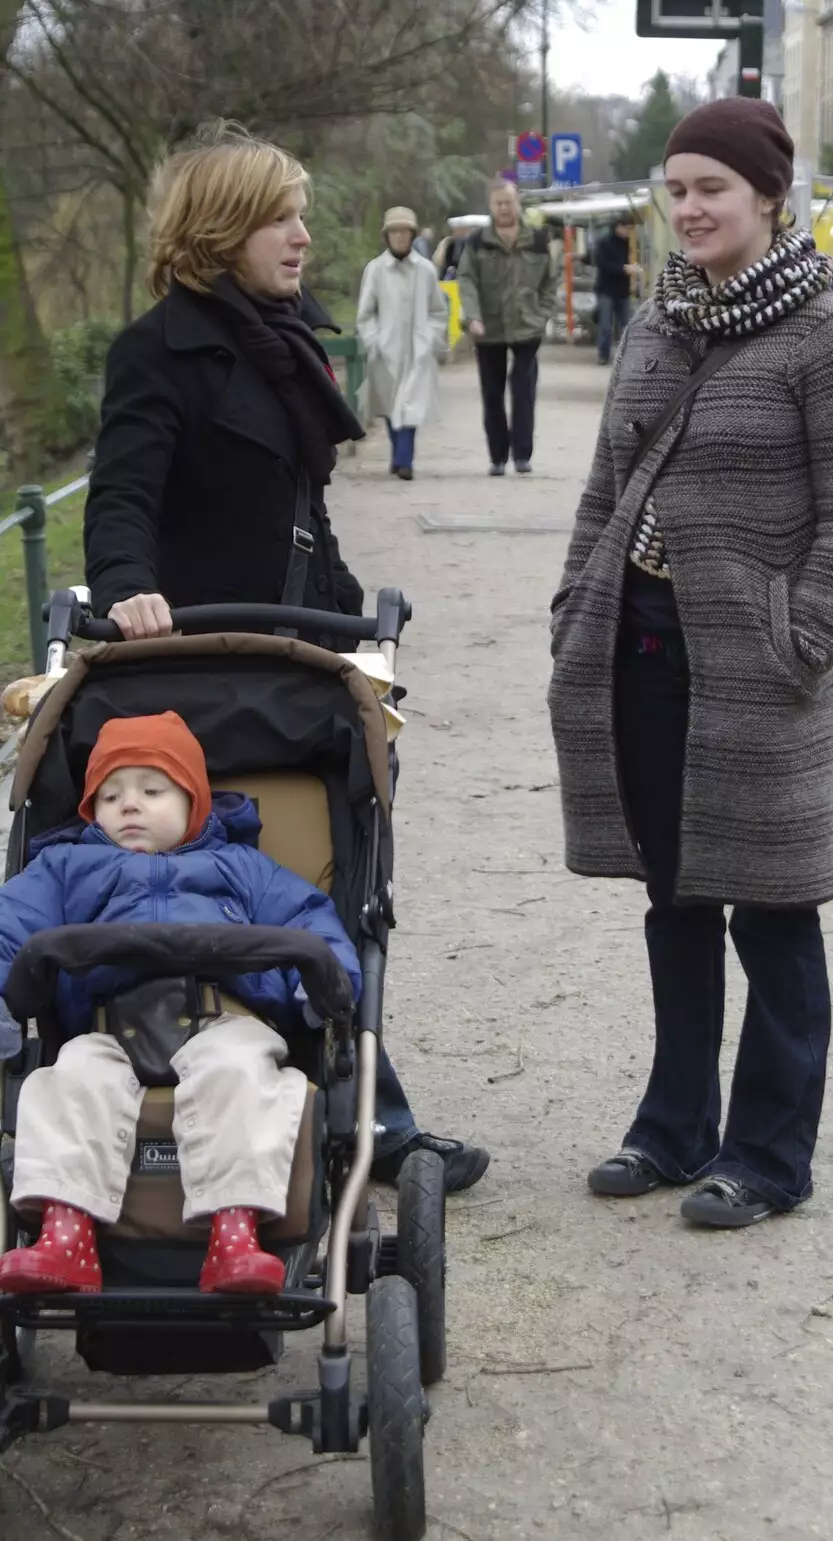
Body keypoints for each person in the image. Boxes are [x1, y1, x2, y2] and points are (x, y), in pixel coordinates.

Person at [80, 124, 489, 1194]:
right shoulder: (159, 352)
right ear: (221, 232)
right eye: (280, 217)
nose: (303, 236)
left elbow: (302, 516)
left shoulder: (281, 343)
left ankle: (359, 1118)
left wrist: (360, 629)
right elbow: (122, 492)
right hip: (196, 672)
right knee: (241, 896)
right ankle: (351, 1121)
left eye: (300, 214)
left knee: (321, 887)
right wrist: (127, 587)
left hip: (294, 665)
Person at [548, 99, 833, 1230]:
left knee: (774, 910)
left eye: (712, 190)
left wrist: (802, 637)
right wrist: (572, 600)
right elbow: (604, 484)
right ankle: (673, 1126)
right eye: (676, 188)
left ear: (768, 199)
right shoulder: (656, 323)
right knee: (674, 897)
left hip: (760, 669)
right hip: (638, 646)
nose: (688, 209)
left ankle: (768, 1156)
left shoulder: (825, 335)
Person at [0, 713, 362, 1297]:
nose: (129, 806)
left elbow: (309, 922)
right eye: (110, 796)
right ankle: (64, 1236)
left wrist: (322, 986)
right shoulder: (65, 868)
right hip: (109, 1027)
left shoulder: (242, 868)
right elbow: (7, 929)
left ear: (194, 800)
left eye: (151, 790)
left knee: (240, 1076)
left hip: (224, 1018)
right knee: (68, 1080)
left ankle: (236, 1230)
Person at [457, 180, 559, 477]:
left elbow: (551, 283)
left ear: (518, 203)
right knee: (492, 393)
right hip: (488, 328)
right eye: (498, 203)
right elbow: (466, 280)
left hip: (528, 327)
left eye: (508, 202)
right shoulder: (477, 242)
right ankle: (498, 456)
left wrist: (541, 316)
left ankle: (523, 455)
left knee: (523, 390)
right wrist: (473, 316)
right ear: (491, 206)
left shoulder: (538, 240)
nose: (504, 208)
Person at [356, 206, 449, 482]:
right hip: (386, 350)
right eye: (394, 232)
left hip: (417, 351)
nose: (399, 237)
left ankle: (404, 461)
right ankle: (400, 456)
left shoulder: (426, 270)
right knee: (391, 406)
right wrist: (374, 341)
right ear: (387, 236)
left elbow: (438, 310)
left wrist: (430, 338)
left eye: (404, 232)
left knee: (410, 406)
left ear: (412, 235)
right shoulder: (375, 270)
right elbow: (365, 313)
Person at [594, 219, 640, 365]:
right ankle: (604, 354)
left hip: (624, 290)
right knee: (606, 326)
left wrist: (632, 279)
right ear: (618, 227)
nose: (628, 232)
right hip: (606, 289)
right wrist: (623, 269)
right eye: (626, 228)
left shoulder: (629, 244)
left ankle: (626, 355)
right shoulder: (604, 243)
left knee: (627, 325)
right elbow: (602, 264)